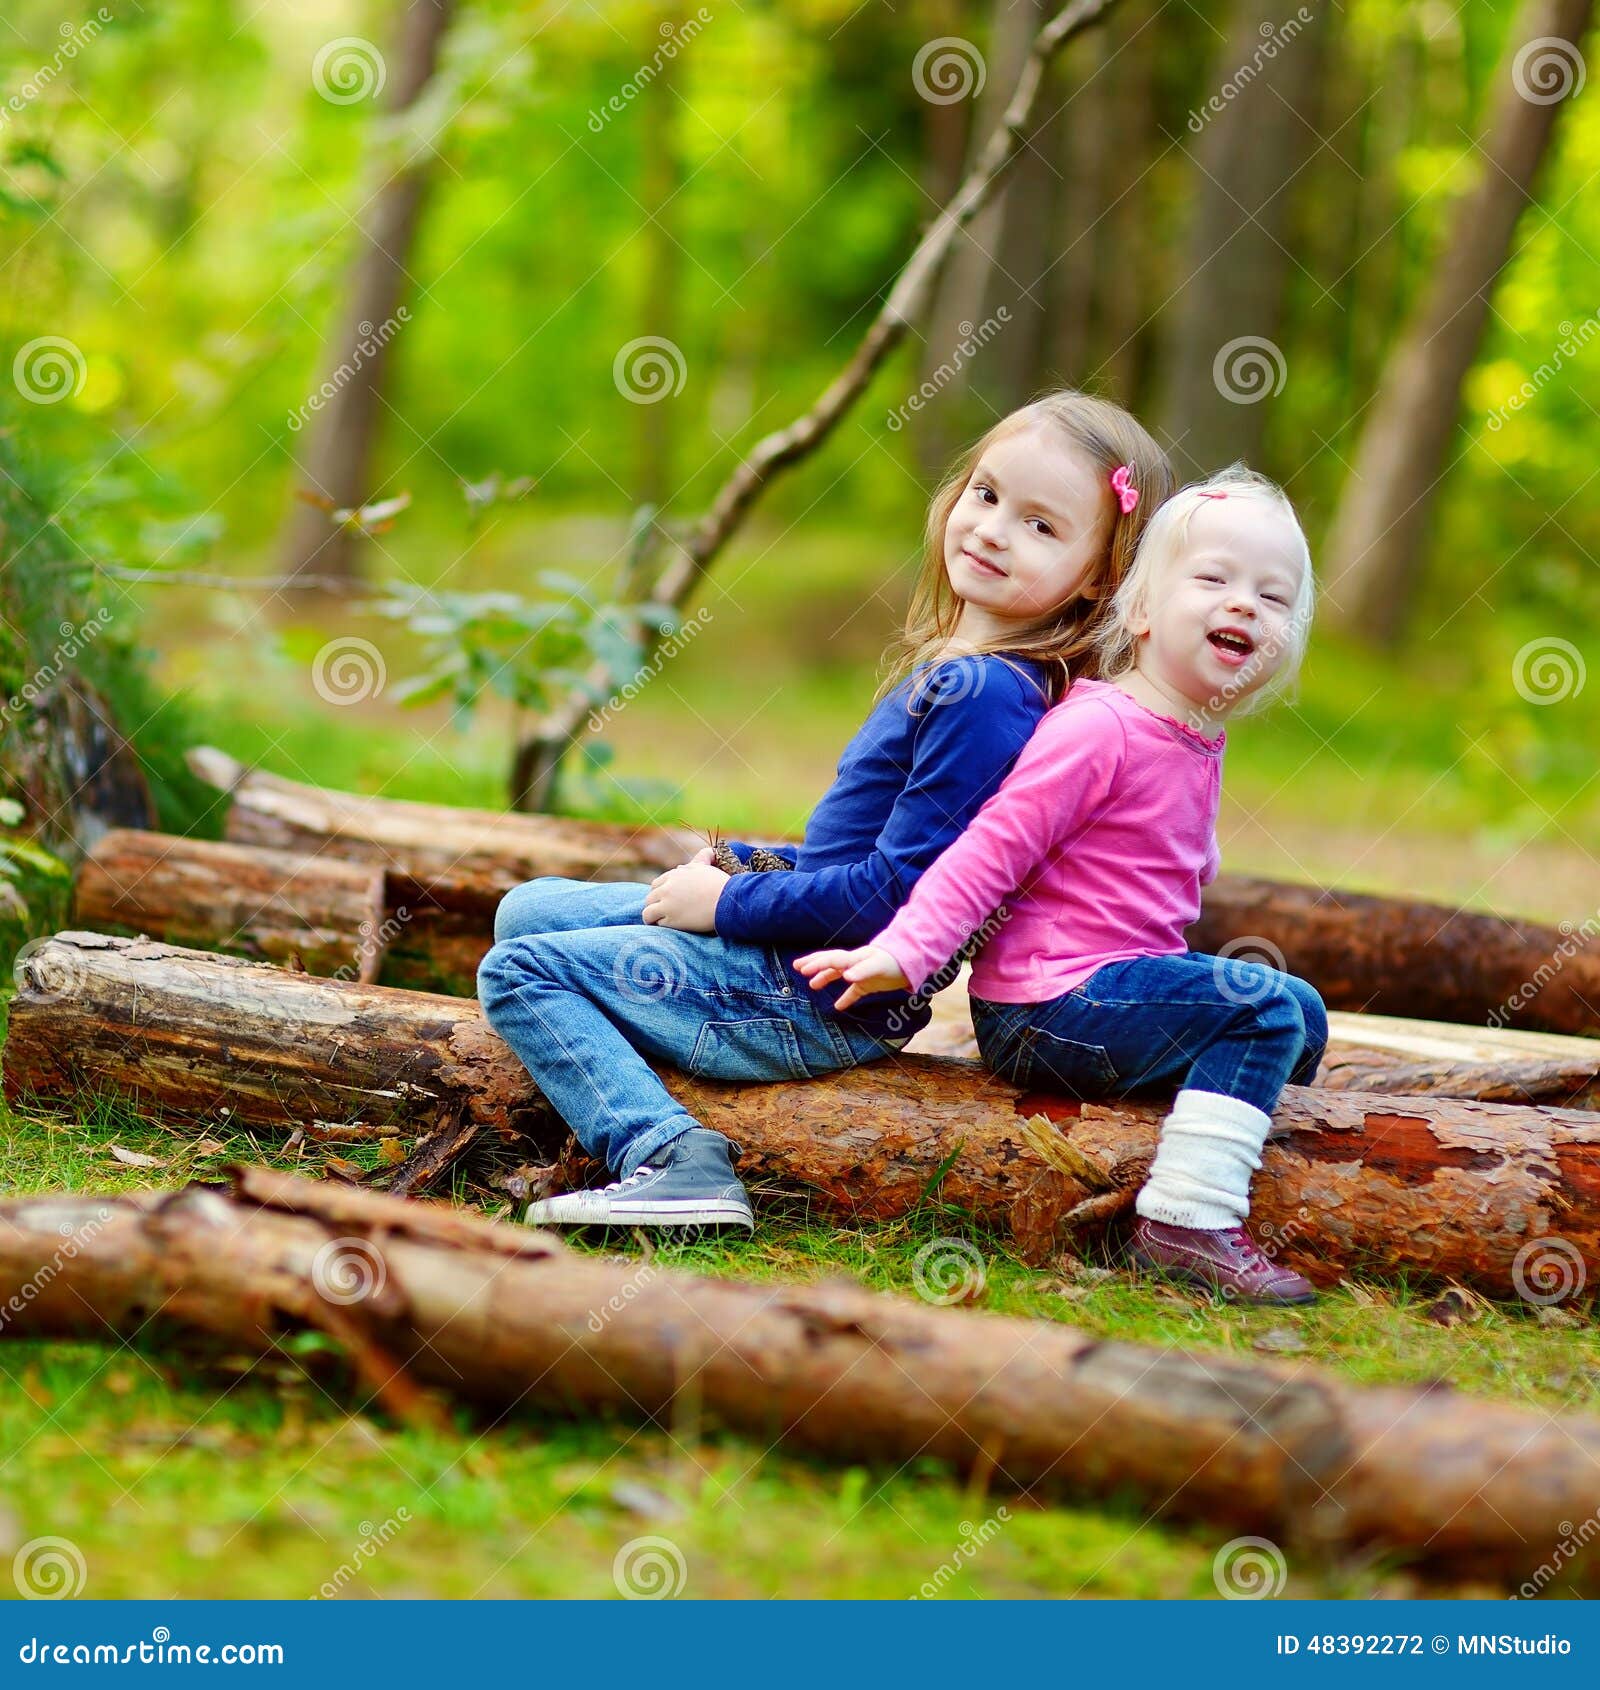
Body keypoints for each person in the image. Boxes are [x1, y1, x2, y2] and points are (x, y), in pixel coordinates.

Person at [476, 390, 1174, 1231]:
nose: (992, 529)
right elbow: (857, 849)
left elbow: (895, 897)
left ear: (1099, 578)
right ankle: (634, 1016)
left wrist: (728, 907)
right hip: (801, 950)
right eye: (987, 495)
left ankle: (668, 1154)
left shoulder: (985, 695)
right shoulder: (969, 670)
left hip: (813, 994)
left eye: (1041, 526)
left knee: (518, 971)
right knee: (526, 910)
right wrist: (744, 866)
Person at [795, 466, 1327, 1304]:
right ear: (1143, 611)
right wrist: (906, 948)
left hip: (1104, 991)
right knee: (1261, 1005)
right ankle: (1185, 1222)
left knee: (1300, 1012)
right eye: (1215, 580)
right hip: (1046, 1008)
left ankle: (1226, 1151)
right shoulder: (1101, 725)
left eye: (1274, 597)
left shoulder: (1189, 738)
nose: (1245, 605)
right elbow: (991, 849)